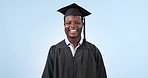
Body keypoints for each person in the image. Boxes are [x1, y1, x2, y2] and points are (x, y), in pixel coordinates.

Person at [42, 3, 107, 78]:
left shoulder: (93, 51)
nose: (72, 26)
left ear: (82, 24)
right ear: (64, 25)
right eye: (68, 23)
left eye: (77, 23)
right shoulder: (55, 51)